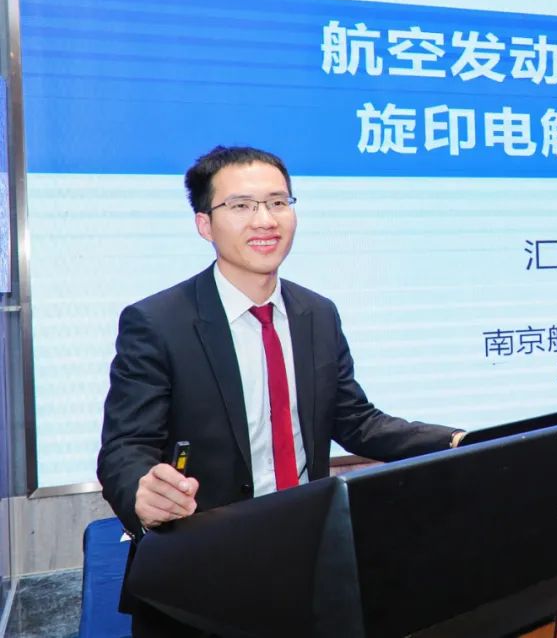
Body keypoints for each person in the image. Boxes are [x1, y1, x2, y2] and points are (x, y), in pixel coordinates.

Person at [97, 145, 464, 636]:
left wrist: (455, 441)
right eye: (241, 206)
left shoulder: (318, 313)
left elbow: (355, 419)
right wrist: (142, 494)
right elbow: (124, 447)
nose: (265, 220)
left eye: (277, 202)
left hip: (308, 559)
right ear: (205, 224)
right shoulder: (157, 323)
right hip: (200, 575)